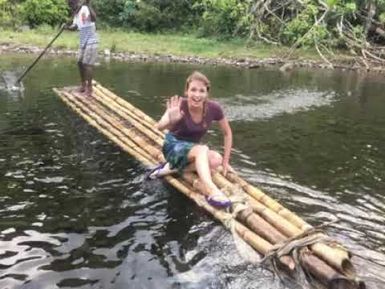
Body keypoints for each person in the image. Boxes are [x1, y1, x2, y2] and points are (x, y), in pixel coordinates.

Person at [148, 71, 233, 208]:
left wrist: (225, 161)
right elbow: (159, 126)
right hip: (173, 146)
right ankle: (211, 190)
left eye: (202, 91)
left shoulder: (214, 108)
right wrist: (171, 120)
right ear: (187, 91)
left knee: (216, 159)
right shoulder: (179, 105)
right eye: (193, 90)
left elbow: (227, 133)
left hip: (192, 149)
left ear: (207, 94)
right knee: (203, 150)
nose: (197, 95)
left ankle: (170, 169)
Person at [66, 0, 98, 97]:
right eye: (70, 6)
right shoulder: (76, 13)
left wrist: (88, 5)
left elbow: (93, 19)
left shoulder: (84, 9)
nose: (72, 7)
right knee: (80, 62)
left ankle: (89, 88)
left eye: (72, 5)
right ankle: (83, 85)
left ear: (76, 3)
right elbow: (75, 27)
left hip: (91, 40)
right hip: (83, 42)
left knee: (87, 64)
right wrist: (66, 27)